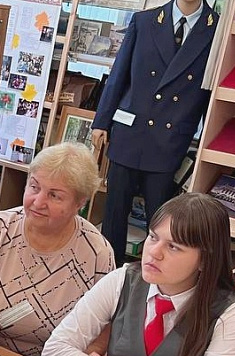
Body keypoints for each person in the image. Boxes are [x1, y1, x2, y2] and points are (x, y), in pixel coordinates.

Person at [42, 193, 235, 356]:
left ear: (205, 260)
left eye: (173, 247)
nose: (154, 252)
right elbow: (55, 350)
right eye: (153, 237)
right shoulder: (122, 280)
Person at [0, 142, 115, 356]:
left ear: (80, 203)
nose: (38, 202)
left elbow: (102, 333)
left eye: (54, 196)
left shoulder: (98, 253)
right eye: (34, 187)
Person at [90, 0, 218, 267]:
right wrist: (101, 121)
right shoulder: (144, 21)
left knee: (160, 221)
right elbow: (119, 74)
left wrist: (210, 140)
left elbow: (212, 95)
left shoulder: (215, 29)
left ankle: (154, 278)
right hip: (129, 132)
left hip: (170, 140)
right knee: (114, 213)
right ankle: (109, 274)